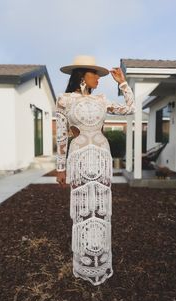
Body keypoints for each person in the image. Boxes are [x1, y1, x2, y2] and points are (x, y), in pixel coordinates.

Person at [56, 55, 135, 286]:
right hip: (79, 159)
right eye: (96, 75)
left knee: (100, 210)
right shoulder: (65, 100)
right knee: (83, 210)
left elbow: (129, 109)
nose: (99, 80)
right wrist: (60, 168)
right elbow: (62, 135)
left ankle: (99, 256)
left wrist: (122, 82)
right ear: (82, 75)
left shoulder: (102, 100)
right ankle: (83, 259)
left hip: (101, 158)